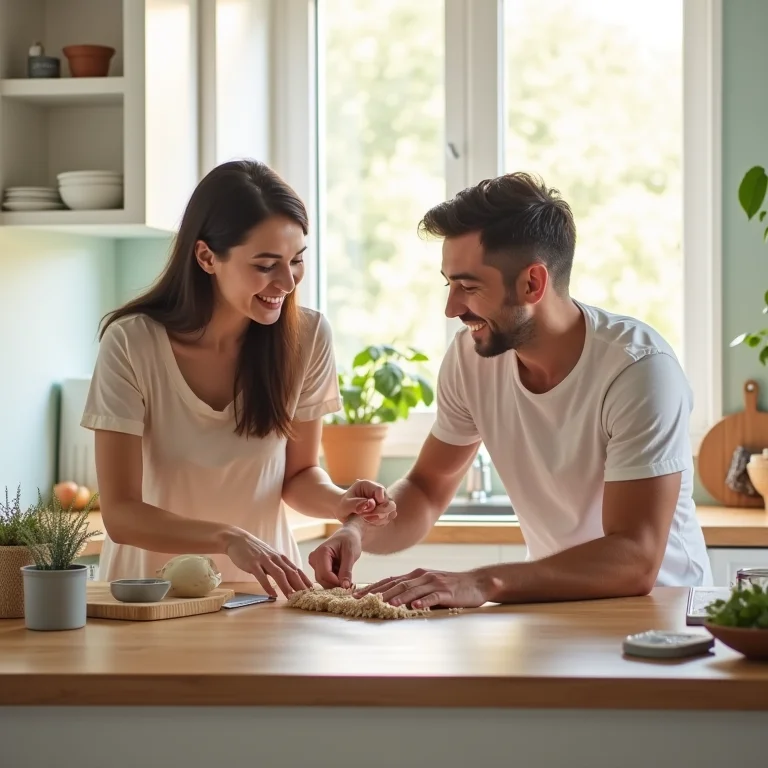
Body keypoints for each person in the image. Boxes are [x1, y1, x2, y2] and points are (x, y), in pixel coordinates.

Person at [309, 171, 713, 609]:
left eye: (468, 287)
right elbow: (426, 488)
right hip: (553, 607)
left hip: (663, 615)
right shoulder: (471, 359)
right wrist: (356, 531)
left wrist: (482, 583)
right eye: (449, 284)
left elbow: (635, 558)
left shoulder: (638, 370)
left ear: (532, 284)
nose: (451, 308)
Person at [80, 159, 396, 598]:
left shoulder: (307, 338)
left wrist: (339, 501)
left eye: (296, 260)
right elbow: (121, 514)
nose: (287, 282)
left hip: (264, 595)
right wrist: (228, 537)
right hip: (149, 596)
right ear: (207, 257)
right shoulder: (132, 343)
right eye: (265, 265)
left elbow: (299, 474)